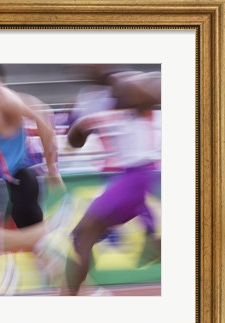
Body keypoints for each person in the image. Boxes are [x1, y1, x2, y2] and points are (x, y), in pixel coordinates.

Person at [62, 68, 162, 295]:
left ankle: (71, 300)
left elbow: (154, 94)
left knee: (82, 235)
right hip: (128, 179)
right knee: (83, 237)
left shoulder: (127, 84)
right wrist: (83, 125)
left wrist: (90, 122)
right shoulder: (90, 98)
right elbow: (75, 141)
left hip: (134, 177)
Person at [0, 64, 64, 229]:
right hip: (14, 180)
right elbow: (39, 109)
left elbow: (43, 122)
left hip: (23, 179)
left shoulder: (7, 101)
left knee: (37, 241)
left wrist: (52, 169)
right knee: (33, 240)